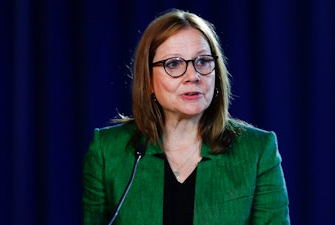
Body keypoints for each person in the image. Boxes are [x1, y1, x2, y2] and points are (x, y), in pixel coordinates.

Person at [83, 8, 290, 225]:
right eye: (173, 64)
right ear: (148, 80)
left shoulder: (257, 150)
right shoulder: (107, 151)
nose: (193, 76)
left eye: (202, 61)